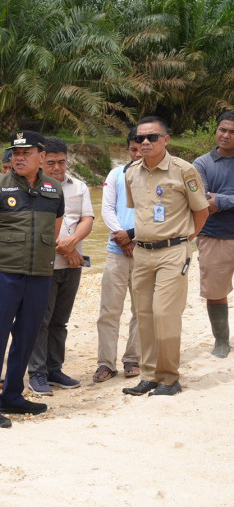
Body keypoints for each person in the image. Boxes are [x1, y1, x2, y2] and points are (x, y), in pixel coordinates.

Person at [0, 131, 64, 428]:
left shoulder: (54, 190)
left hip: (38, 276)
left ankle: (12, 395)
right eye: (15, 152)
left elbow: (56, 229)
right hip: (2, 275)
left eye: (26, 152)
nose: (19, 157)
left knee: (26, 337)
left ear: (41, 155)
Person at [123, 116, 209, 397]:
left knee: (165, 315)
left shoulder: (184, 170)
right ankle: (149, 375)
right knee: (144, 315)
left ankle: (170, 377)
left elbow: (201, 211)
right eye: (140, 138)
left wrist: (186, 240)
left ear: (166, 139)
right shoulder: (131, 172)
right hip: (142, 252)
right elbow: (139, 210)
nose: (145, 142)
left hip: (173, 252)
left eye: (152, 137)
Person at [27, 137, 94, 395]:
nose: (57, 167)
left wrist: (73, 243)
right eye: (52, 162)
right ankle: (37, 373)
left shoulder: (79, 186)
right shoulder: (34, 187)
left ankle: (54, 369)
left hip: (73, 264)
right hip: (45, 265)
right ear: (42, 160)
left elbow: (87, 218)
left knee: (60, 321)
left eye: (62, 162)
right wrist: (64, 247)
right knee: (40, 321)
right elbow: (34, 226)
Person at [93, 129, 142, 382]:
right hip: (116, 250)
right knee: (109, 310)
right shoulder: (116, 174)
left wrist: (133, 237)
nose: (137, 154)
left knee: (141, 309)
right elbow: (107, 210)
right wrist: (121, 235)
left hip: (145, 251)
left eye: (140, 149)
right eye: (132, 149)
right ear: (128, 149)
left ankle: (133, 359)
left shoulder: (155, 177)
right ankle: (106, 363)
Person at [194, 111, 234, 359]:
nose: (226, 135)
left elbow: (214, 200)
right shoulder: (201, 164)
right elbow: (202, 201)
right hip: (213, 236)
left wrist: (221, 199)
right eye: (222, 129)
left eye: (232, 132)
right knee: (215, 292)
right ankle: (221, 340)